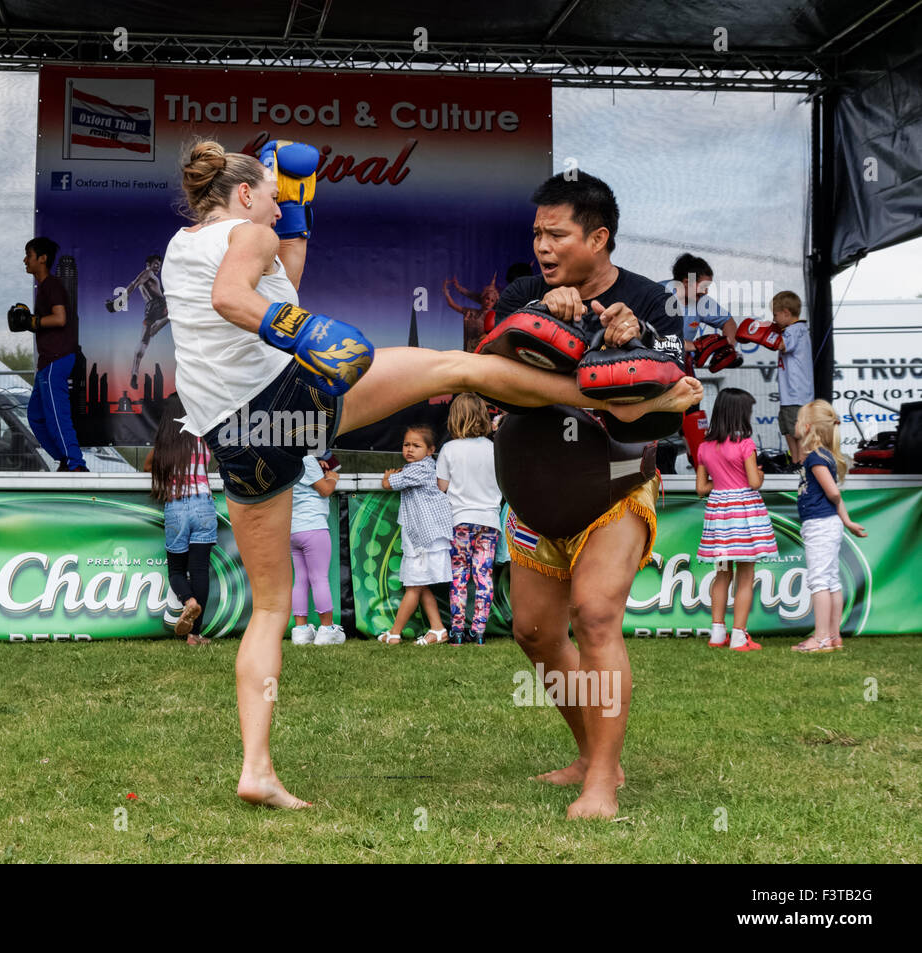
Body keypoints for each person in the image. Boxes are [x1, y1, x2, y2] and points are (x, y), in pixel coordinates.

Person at [161, 140, 700, 809]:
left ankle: (257, 767)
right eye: (271, 199)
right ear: (244, 196)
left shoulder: (182, 247)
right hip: (286, 398)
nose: (275, 214)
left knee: (269, 609)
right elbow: (235, 297)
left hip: (238, 437)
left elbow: (275, 275)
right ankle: (617, 397)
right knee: (456, 368)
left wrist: (296, 216)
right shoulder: (247, 230)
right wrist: (299, 328)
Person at [492, 170, 696, 819]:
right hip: (533, 492)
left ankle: (603, 780)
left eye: (556, 234)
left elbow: (677, 385)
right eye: (537, 234)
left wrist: (632, 335)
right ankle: (589, 751)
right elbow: (492, 371)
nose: (543, 246)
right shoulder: (525, 290)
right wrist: (536, 318)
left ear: (598, 236)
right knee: (532, 630)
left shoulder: (648, 298)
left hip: (616, 487)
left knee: (597, 614)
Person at [694, 388, 777, 651]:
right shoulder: (745, 445)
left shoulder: (704, 447)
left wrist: (721, 482)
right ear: (741, 414)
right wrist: (760, 475)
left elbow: (701, 488)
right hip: (744, 513)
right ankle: (739, 636)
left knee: (721, 573)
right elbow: (754, 481)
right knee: (745, 576)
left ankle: (717, 633)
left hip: (719, 513)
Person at [791, 400, 868, 653]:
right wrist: (846, 521)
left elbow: (833, 493)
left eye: (798, 421)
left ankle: (822, 637)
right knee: (831, 580)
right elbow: (836, 497)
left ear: (809, 426)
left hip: (820, 525)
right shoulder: (823, 455)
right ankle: (833, 636)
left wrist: (842, 518)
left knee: (819, 581)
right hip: (827, 524)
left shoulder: (816, 457)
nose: (794, 426)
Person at [144, 394, 215, 645]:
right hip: (204, 506)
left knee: (176, 570)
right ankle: (195, 635)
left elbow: (147, 466)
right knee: (199, 571)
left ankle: (189, 601)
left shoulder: (165, 444)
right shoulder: (203, 439)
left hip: (176, 507)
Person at [377, 425, 454, 645]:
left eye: (416, 446)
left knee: (414, 586)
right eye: (406, 444)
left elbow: (388, 483)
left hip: (426, 539)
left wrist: (389, 477)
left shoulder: (420, 469)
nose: (410, 449)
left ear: (430, 450)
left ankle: (394, 633)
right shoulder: (417, 468)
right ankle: (438, 629)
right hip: (421, 538)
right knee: (420, 584)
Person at [436, 393, 501, 645]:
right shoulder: (494, 449)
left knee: (459, 576)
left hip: (459, 521)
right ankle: (479, 631)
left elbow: (441, 486)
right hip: (489, 522)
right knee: (484, 577)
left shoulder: (449, 449)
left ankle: (456, 631)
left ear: (454, 419)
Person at [23, 236, 87, 472]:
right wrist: (31, 321)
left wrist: (33, 320)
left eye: (28, 255)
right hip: (47, 361)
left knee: (56, 414)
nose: (25, 260)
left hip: (57, 359)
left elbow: (60, 318)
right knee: (36, 416)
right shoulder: (43, 288)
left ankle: (75, 463)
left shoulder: (52, 285)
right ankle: (64, 458)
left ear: (42, 258)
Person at [288, 454, 344, 645]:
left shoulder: (287, 459)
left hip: (292, 530)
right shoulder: (307, 459)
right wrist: (332, 478)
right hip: (313, 526)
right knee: (319, 578)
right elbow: (325, 490)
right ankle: (327, 629)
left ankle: (301, 631)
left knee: (300, 580)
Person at [109, 254, 170, 390]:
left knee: (143, 343)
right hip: (159, 306)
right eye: (155, 264)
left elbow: (136, 284)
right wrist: (120, 301)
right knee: (176, 310)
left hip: (149, 311)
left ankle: (134, 373)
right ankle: (156, 327)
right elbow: (134, 283)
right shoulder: (147, 273)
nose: (158, 267)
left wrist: (120, 301)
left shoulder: (148, 276)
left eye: (159, 266)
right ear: (148, 263)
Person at [664, 253, 737, 354]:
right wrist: (694, 346)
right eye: (703, 287)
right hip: (650, 362)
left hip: (679, 363)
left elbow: (728, 322)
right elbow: (655, 338)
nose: (705, 292)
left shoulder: (700, 299)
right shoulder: (659, 296)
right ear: (686, 282)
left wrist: (727, 350)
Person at [772, 291, 813, 464]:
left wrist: (760, 334)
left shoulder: (793, 330)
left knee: (798, 432)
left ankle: (802, 463)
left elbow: (781, 345)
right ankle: (797, 463)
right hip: (793, 395)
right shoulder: (798, 329)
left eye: (775, 315)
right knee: (788, 430)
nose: (774, 319)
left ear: (786, 313)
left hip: (795, 395)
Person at [444, 274, 499, 350]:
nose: (489, 302)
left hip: (483, 354)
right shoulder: (471, 313)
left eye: (492, 301)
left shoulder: (494, 318)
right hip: (469, 352)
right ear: (482, 298)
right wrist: (446, 291)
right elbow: (452, 304)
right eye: (487, 298)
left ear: (494, 303)